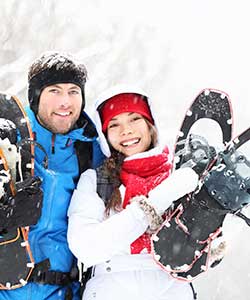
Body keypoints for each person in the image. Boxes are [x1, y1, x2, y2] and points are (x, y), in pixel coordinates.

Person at [67, 85, 200, 300]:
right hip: (109, 289)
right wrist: (155, 202)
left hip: (174, 289)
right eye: (114, 124)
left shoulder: (179, 174)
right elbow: (85, 248)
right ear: (105, 135)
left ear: (150, 125)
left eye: (134, 119)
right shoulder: (97, 180)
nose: (125, 130)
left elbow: (199, 253)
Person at [0, 52, 103, 300]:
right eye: (54, 91)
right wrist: (6, 215)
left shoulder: (90, 150)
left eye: (73, 91)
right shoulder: (8, 140)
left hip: (62, 291)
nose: (65, 102)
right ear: (35, 97)